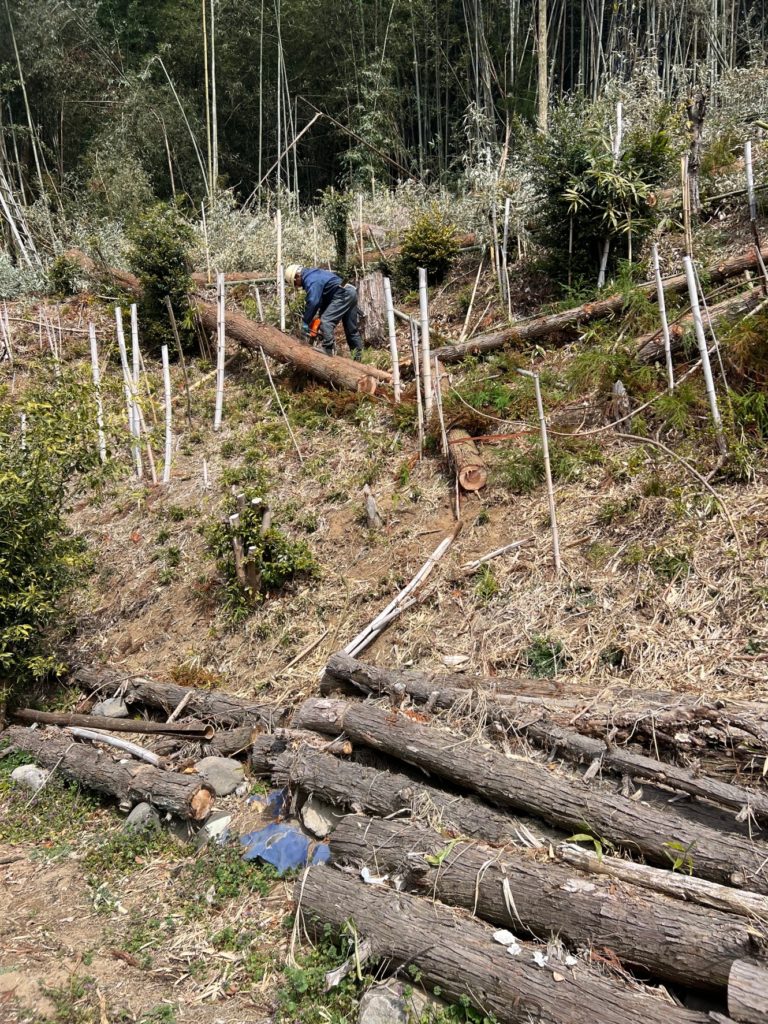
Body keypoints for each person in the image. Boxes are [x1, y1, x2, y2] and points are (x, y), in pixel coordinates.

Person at [284, 264, 363, 361]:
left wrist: (305, 322)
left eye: (297, 284)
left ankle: (328, 348)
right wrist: (318, 319)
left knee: (326, 322)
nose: (299, 286)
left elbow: (313, 301)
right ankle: (359, 358)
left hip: (342, 293)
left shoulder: (310, 279)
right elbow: (325, 299)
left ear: (297, 277)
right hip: (350, 290)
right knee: (351, 330)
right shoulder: (315, 274)